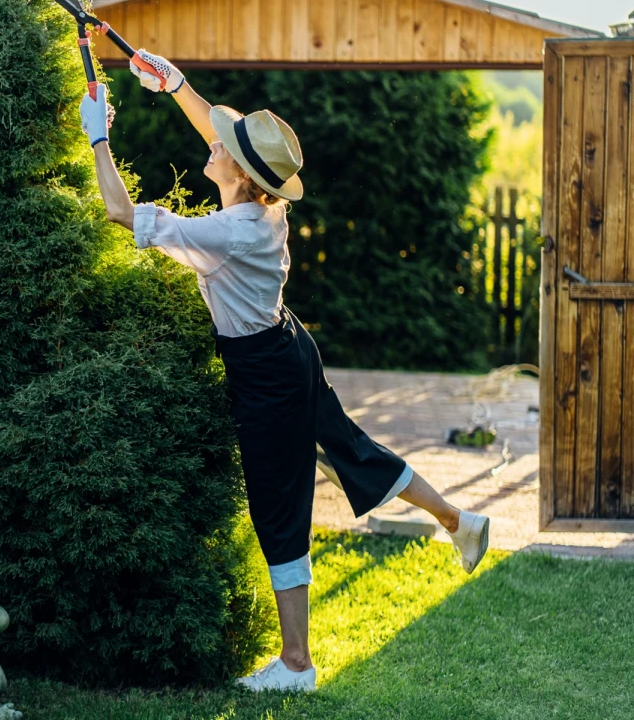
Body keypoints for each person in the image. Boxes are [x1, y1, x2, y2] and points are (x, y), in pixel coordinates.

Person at [78, 50, 491, 694]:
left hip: (265, 373)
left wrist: (99, 137)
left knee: (279, 505)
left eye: (225, 147)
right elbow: (223, 136)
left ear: (240, 176)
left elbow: (119, 212)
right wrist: (176, 84)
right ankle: (458, 522)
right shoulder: (266, 209)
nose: (213, 142)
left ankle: (296, 666)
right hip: (288, 346)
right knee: (351, 447)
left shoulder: (227, 233)